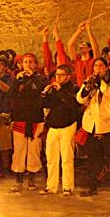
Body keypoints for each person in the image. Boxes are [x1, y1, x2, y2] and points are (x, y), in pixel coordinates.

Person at [76, 57, 110, 196]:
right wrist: (87, 87)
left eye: (100, 66)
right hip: (92, 125)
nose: (97, 68)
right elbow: (80, 98)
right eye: (95, 66)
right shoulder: (90, 81)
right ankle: (92, 186)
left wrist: (100, 83)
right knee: (93, 159)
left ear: (107, 67)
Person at [9, 53, 47, 192]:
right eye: (25, 62)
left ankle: (31, 178)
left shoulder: (41, 79)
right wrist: (17, 81)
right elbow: (11, 95)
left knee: (34, 150)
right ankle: (18, 179)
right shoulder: (17, 79)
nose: (28, 65)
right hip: (20, 119)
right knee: (19, 150)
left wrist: (31, 77)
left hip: (35, 119)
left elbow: (41, 92)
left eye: (31, 62)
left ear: (35, 64)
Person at [41, 64, 80, 195]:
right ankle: (51, 186)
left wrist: (59, 91)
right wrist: (45, 94)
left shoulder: (73, 88)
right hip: (54, 125)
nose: (58, 77)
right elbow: (46, 104)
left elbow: (73, 105)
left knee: (67, 157)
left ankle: (67, 187)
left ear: (68, 76)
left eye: (61, 75)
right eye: (57, 74)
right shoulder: (54, 88)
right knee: (51, 158)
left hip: (68, 125)